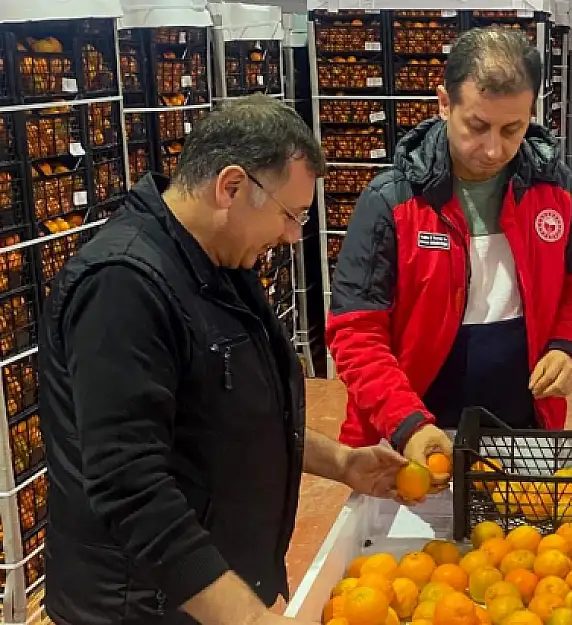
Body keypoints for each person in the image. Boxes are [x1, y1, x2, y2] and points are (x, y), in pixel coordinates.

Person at [39, 95, 408, 625]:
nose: (291, 234)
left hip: (210, 597)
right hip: (145, 607)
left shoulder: (216, 260)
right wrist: (246, 618)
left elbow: (232, 418)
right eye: (290, 214)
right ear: (231, 187)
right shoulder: (122, 287)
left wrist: (343, 463)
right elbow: (130, 487)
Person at [326, 27, 572, 487]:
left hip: (523, 424)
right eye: (477, 127)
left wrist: (568, 346)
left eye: (512, 129)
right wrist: (407, 423)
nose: (494, 149)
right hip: (411, 433)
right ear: (443, 103)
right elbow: (356, 332)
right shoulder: (392, 202)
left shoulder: (553, 188)